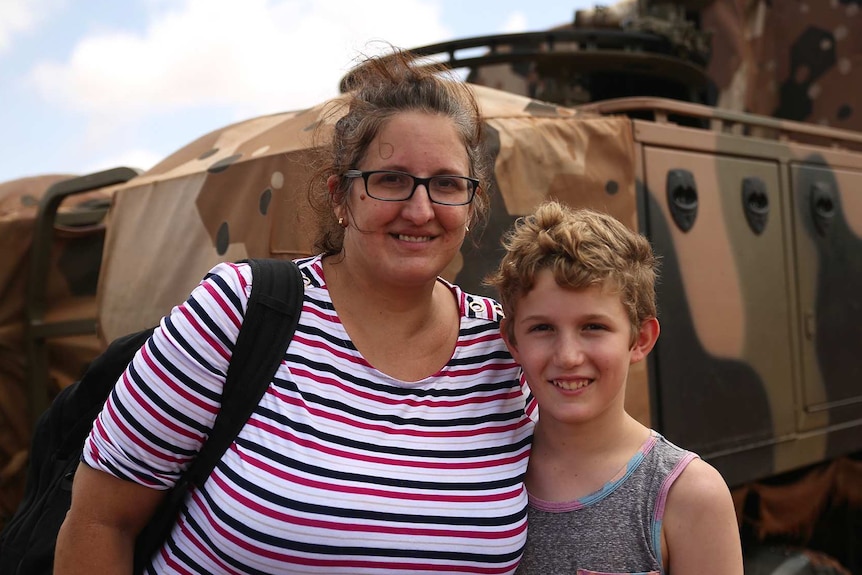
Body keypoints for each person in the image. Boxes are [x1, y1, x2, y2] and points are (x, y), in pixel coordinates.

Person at [55, 49, 533, 574]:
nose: (420, 210)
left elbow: (598, 478)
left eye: (446, 184)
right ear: (340, 197)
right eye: (391, 179)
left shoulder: (509, 346)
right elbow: (100, 522)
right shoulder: (238, 312)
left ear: (471, 205)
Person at [485, 201, 744, 575]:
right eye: (542, 328)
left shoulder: (686, 495)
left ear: (640, 339)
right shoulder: (483, 475)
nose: (569, 356)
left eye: (593, 327)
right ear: (512, 340)